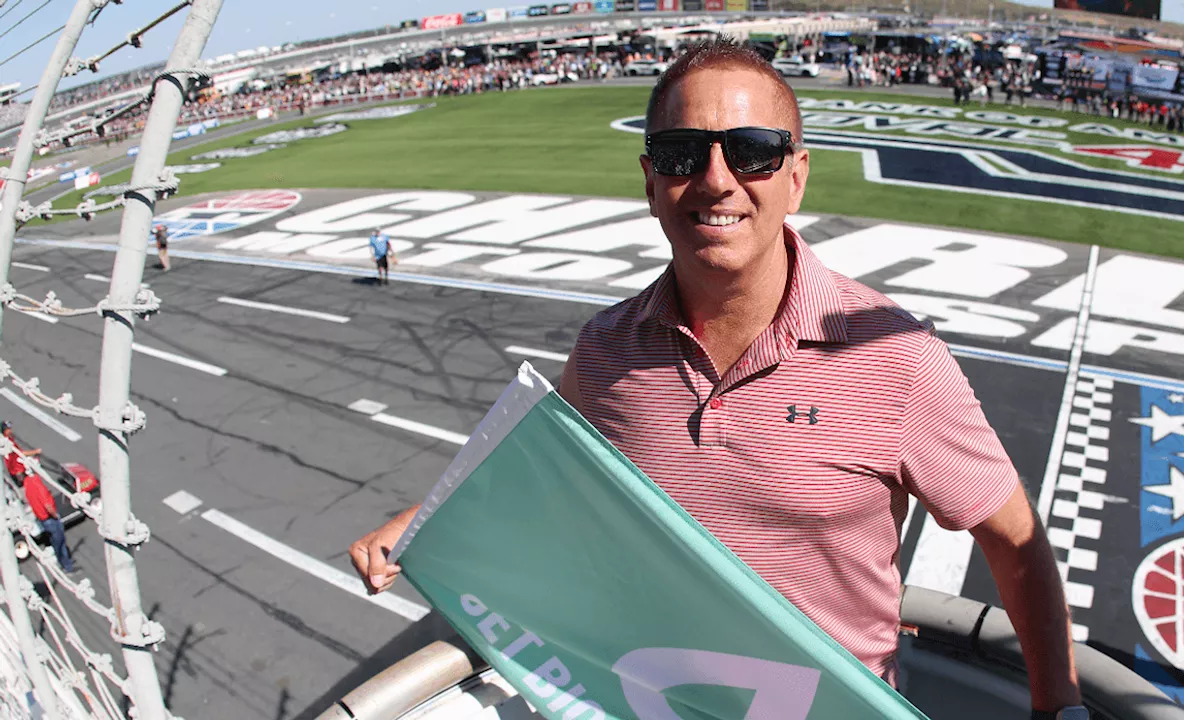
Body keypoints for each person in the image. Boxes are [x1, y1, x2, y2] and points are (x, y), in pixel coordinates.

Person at [350, 38, 1085, 720]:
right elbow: (537, 469)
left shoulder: (895, 358)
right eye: (681, 154)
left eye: (752, 151)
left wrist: (1059, 709)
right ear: (650, 181)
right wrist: (424, 518)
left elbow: (1013, 540)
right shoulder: (605, 348)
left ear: (796, 178)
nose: (715, 180)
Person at [2, 422, 74, 573]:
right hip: (49, 519)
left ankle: (60, 558)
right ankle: (66, 565)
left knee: (54, 540)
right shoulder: (36, 485)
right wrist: (55, 515)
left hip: (40, 516)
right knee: (59, 541)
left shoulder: (29, 487)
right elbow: (47, 504)